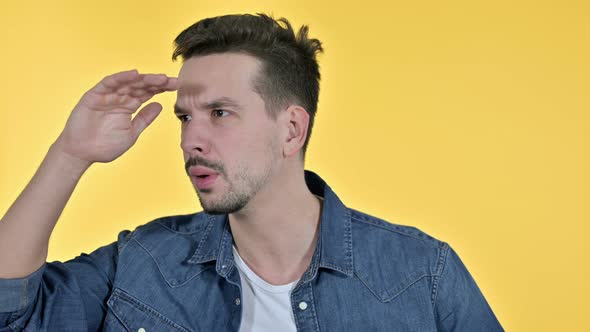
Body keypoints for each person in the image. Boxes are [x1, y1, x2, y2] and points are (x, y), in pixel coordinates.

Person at [0, 13, 503, 331]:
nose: (190, 138)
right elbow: (12, 314)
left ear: (291, 130)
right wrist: (70, 153)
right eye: (184, 116)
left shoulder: (422, 274)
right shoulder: (143, 262)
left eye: (220, 113)